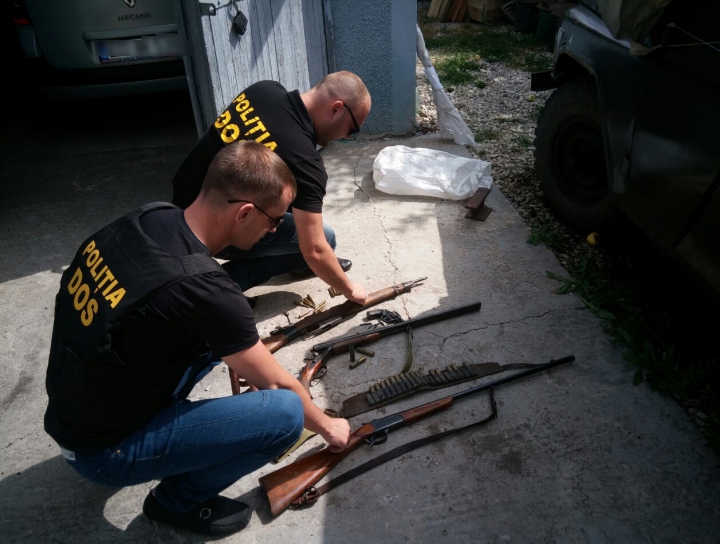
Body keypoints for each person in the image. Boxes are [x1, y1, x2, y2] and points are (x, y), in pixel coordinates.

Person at [43, 141, 351, 537]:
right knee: (285, 415)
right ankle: (174, 502)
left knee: (225, 341)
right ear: (244, 213)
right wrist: (329, 426)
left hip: (73, 411)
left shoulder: (151, 217)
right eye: (275, 221)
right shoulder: (205, 289)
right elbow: (278, 385)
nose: (276, 230)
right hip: (102, 451)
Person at [172, 71, 371, 305]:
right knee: (326, 240)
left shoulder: (263, 90)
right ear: (336, 108)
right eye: (353, 129)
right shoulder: (306, 163)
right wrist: (349, 289)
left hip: (180, 206)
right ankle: (221, 284)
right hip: (208, 232)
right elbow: (315, 249)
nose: (347, 136)